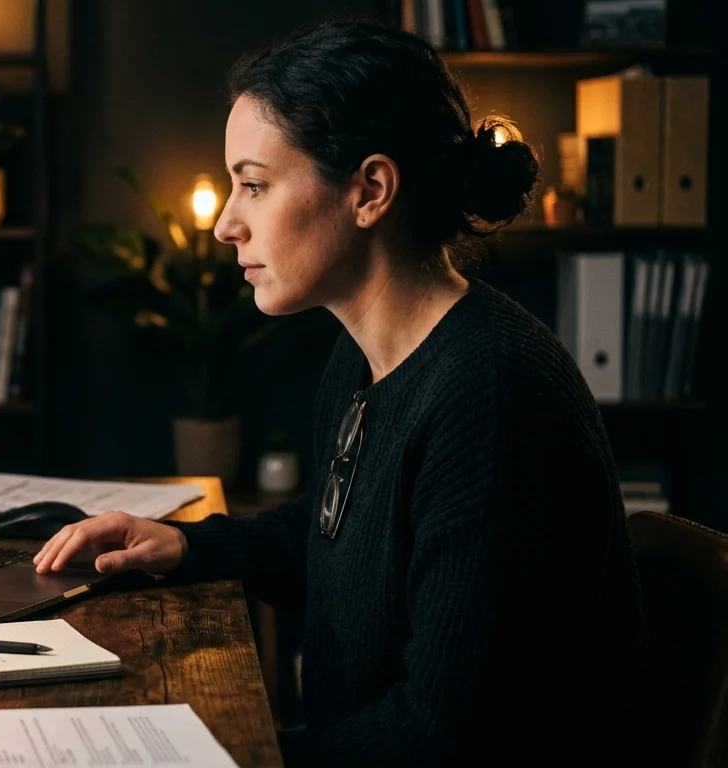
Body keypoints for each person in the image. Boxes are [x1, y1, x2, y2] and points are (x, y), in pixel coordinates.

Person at [32, 20, 646, 767]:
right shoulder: (366, 356)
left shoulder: (491, 396)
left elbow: (443, 735)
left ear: (370, 191)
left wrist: (250, 757)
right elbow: (340, 541)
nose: (227, 223)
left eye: (253, 184)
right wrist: (189, 544)